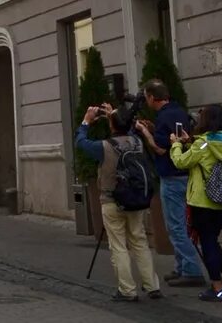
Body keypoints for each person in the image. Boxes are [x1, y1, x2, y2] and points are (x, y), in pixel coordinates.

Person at [75, 102, 161, 302]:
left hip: (112, 200)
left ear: (111, 125)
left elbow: (80, 142)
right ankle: (152, 285)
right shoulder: (137, 141)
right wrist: (115, 114)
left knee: (118, 246)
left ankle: (127, 290)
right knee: (139, 242)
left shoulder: (103, 147)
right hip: (137, 199)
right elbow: (127, 128)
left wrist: (86, 121)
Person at [135, 79, 206, 286]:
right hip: (186, 174)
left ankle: (191, 270)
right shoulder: (178, 112)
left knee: (175, 226)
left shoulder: (164, 116)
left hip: (172, 176)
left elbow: (160, 148)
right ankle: (181, 267)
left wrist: (144, 131)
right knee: (182, 224)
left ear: (150, 97)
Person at [169, 104, 222, 302]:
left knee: (207, 244)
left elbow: (181, 162)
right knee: (213, 240)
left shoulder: (203, 143)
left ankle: (216, 287)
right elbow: (208, 153)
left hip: (204, 201)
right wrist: (190, 141)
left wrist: (176, 144)